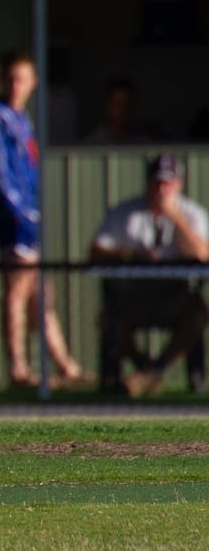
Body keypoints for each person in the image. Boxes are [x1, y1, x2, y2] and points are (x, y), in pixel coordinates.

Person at [0, 48, 86, 386]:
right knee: (17, 290)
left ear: (33, 82)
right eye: (10, 79)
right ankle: (18, 369)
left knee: (41, 294)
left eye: (22, 79)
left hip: (33, 219)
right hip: (16, 222)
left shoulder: (22, 119)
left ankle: (66, 366)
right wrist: (21, 213)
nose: (16, 86)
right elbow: (0, 175)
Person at [89, 153, 209, 397]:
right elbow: (96, 251)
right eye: (157, 182)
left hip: (174, 296)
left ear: (179, 184)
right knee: (108, 319)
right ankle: (143, 368)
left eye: (168, 182)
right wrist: (131, 254)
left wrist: (174, 216)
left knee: (198, 315)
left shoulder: (191, 214)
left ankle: (154, 370)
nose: (161, 189)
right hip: (133, 295)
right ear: (147, 182)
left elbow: (202, 254)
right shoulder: (126, 213)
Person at [81, 76, 154, 146]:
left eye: (127, 103)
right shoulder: (91, 144)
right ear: (108, 106)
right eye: (117, 103)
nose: (122, 109)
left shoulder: (143, 144)